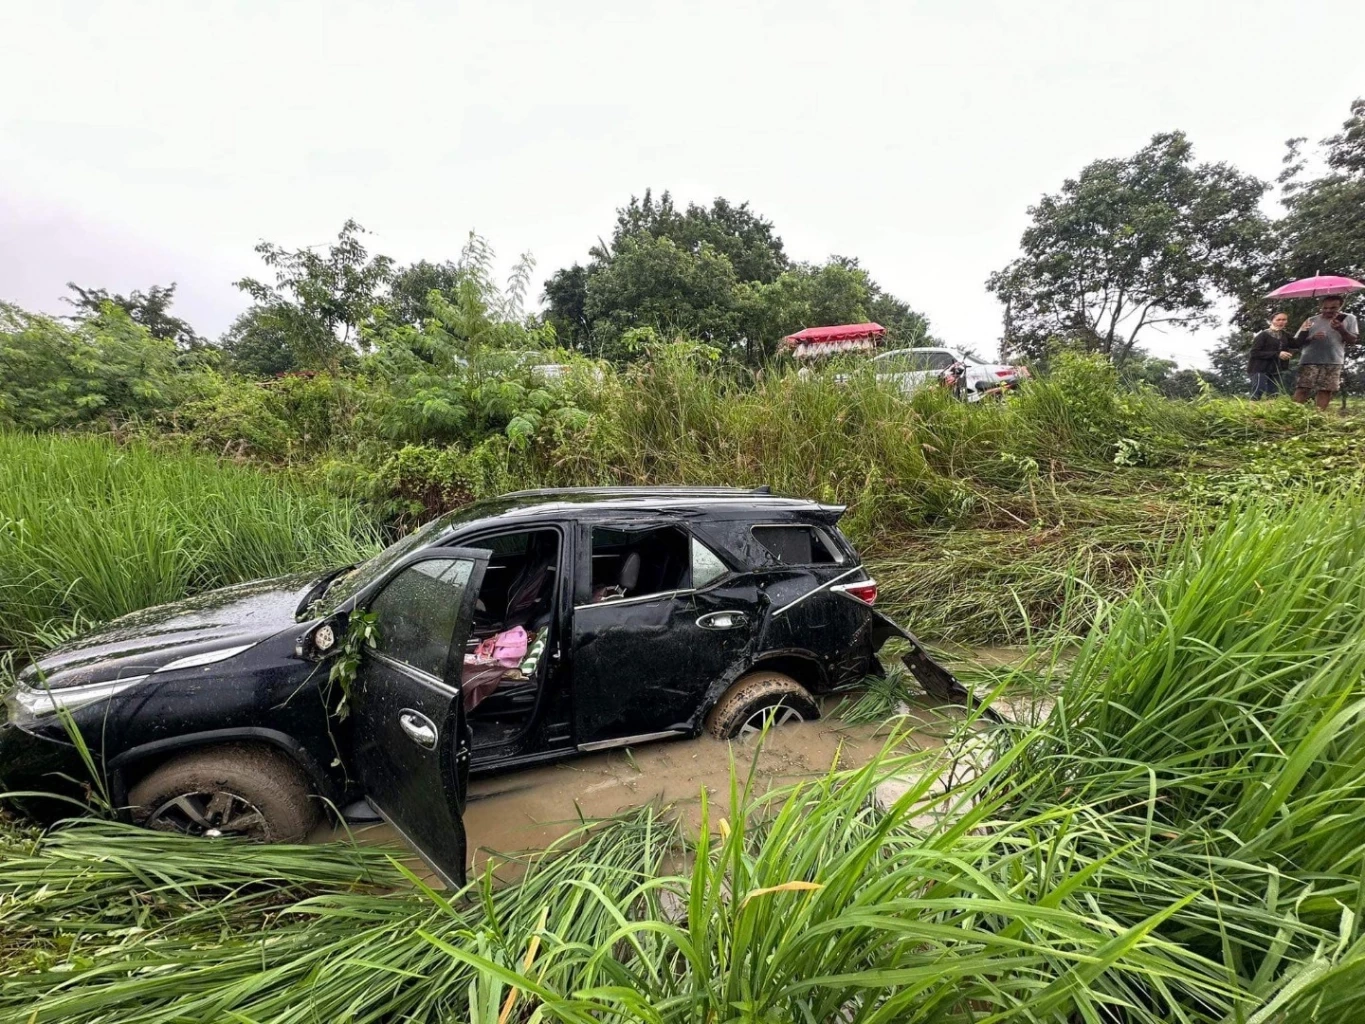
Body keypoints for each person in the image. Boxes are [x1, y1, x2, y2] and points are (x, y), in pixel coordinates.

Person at [1290, 296, 1360, 410]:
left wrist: (1341, 329)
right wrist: (1311, 337)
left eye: (1333, 308)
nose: (1328, 310)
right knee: (1302, 388)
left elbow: (1352, 340)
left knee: (1326, 390)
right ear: (1320, 307)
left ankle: (1319, 415)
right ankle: (1292, 413)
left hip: (1333, 360)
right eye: (1325, 308)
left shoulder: (1349, 318)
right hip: (1309, 360)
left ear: (1340, 307)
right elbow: (1296, 342)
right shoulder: (1311, 320)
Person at [1247, 312, 1294, 399]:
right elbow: (1254, 353)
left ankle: (1270, 407)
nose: (1281, 322)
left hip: (1276, 369)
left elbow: (1297, 344)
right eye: (1278, 320)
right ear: (1272, 321)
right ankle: (1251, 407)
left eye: (1284, 320)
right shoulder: (1263, 335)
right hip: (1260, 368)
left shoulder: (1285, 335)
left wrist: (1305, 330)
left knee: (1274, 394)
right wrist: (1277, 354)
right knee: (1258, 391)